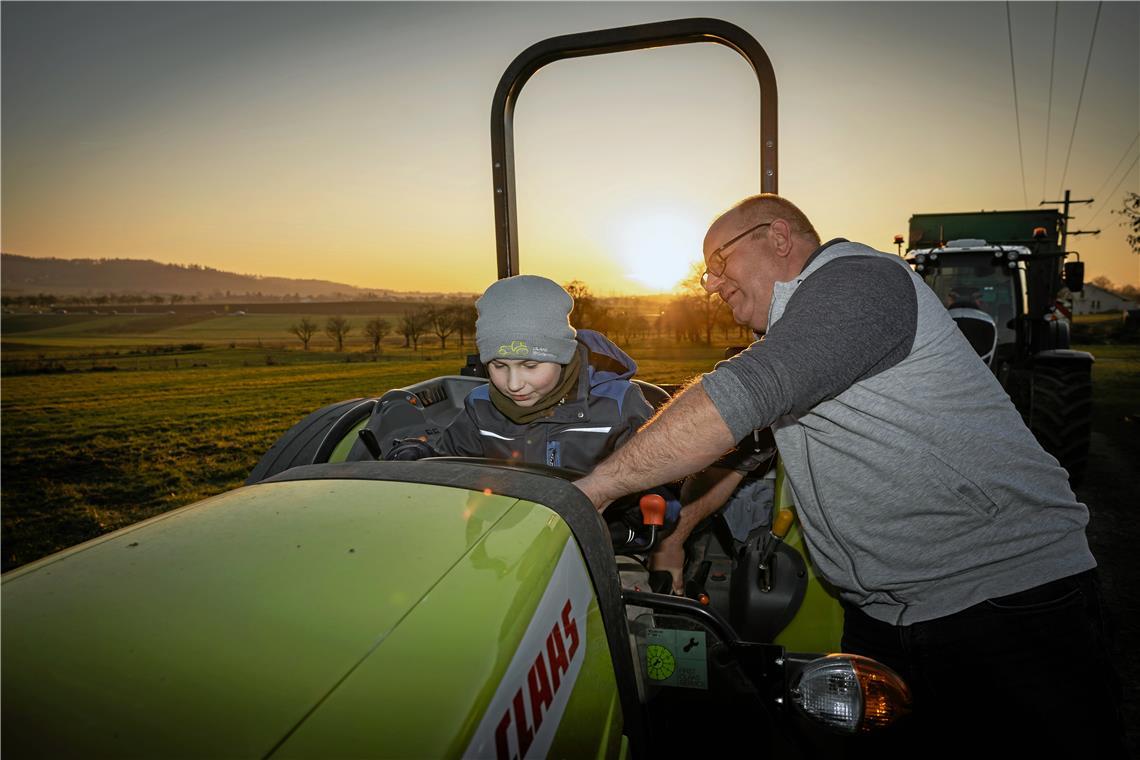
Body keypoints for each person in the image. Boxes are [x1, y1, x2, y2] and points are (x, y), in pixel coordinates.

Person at [575, 194, 1122, 754]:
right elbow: (739, 449)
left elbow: (741, 396)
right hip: (885, 616)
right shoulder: (805, 334)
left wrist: (591, 491)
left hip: (1003, 602)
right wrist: (677, 532)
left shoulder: (859, 283)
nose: (710, 285)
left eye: (719, 262)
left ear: (779, 237)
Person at [395, 276, 677, 525]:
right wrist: (420, 454)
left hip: (604, 537)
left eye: (530, 366)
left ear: (562, 355)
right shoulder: (479, 406)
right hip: (505, 533)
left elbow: (662, 482)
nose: (514, 384)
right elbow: (450, 459)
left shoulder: (617, 405)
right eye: (498, 366)